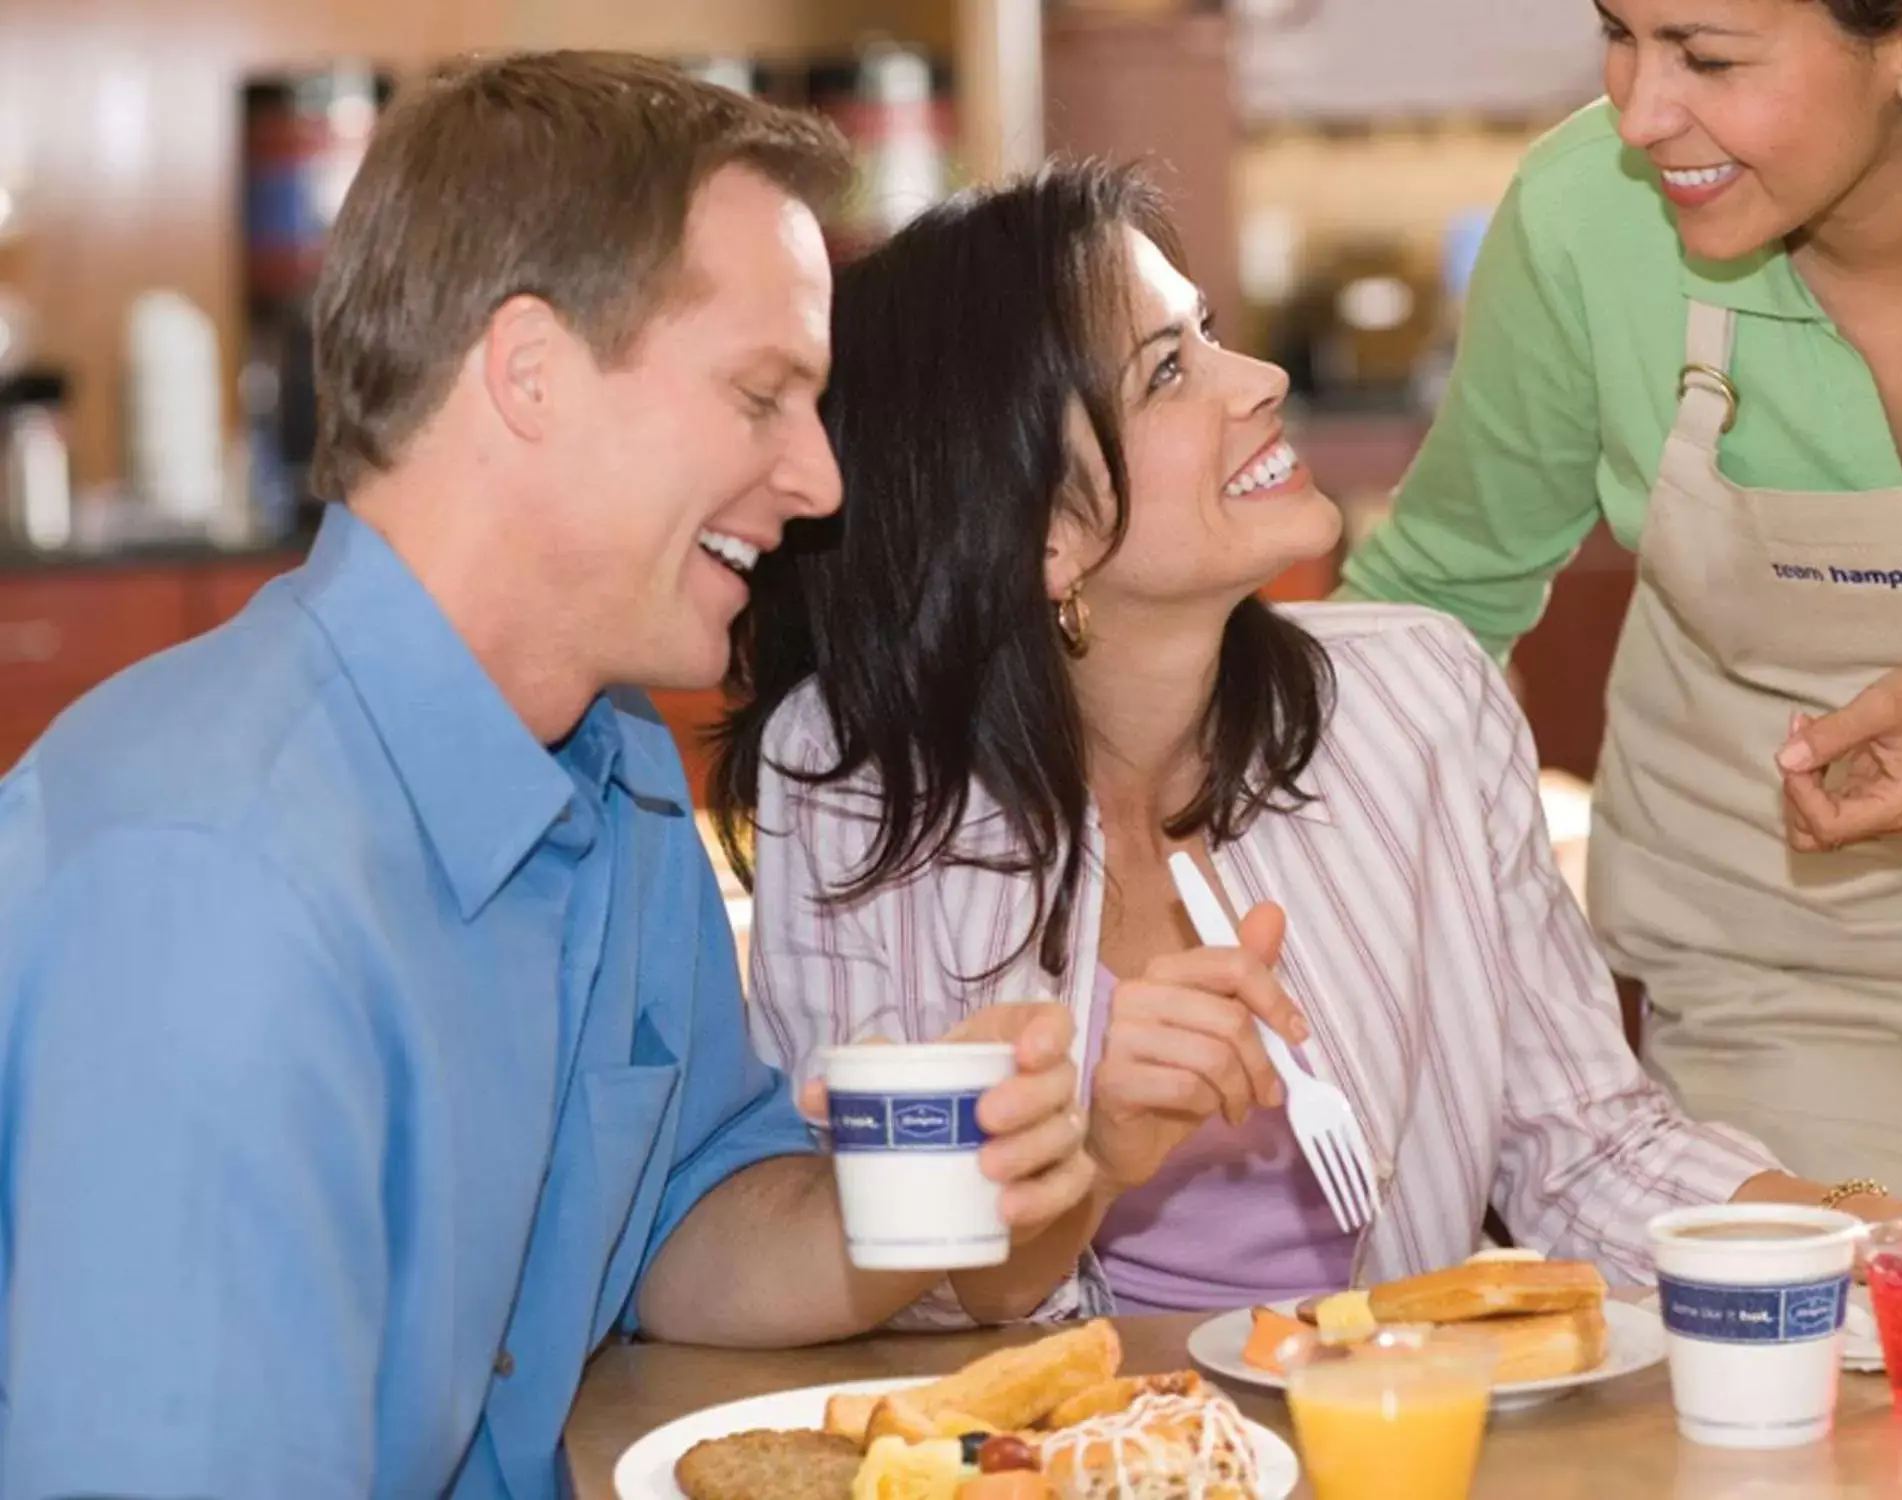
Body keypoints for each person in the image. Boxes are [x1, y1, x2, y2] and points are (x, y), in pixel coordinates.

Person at [711, 159, 1902, 1353]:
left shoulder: (1413, 707)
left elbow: (1584, 1151)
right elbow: (882, 1290)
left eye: (1214, 335)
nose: (1258, 385)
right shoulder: (850, 784)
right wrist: (1092, 1153)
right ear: (1034, 523)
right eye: (1169, 372)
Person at [0, 53, 1092, 1500]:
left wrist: (928, 1199)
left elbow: (675, 1222)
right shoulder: (213, 898)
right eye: (764, 394)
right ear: (528, 373)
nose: (821, 480)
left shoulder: (616, 764)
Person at [1341, 0, 1902, 1255]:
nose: (1642, 110)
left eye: (1707, 57)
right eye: (1620, 33)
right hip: (1774, 1021)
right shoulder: (1589, 224)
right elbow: (1434, 599)